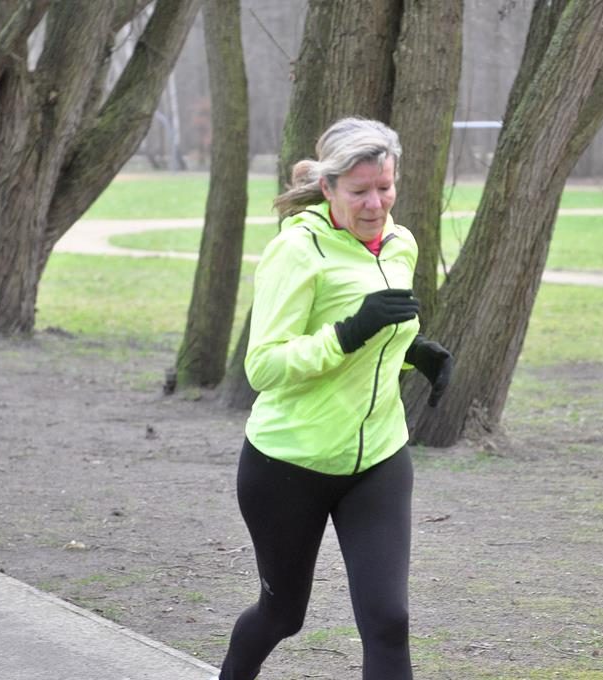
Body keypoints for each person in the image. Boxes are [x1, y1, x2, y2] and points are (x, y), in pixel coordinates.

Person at [213, 118, 454, 680]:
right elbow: (263, 366)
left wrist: (412, 351)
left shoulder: (400, 243)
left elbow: (380, 331)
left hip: (378, 460)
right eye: (360, 191)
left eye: (385, 187)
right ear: (328, 187)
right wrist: (347, 334)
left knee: (388, 621)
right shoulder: (297, 250)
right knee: (282, 615)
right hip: (288, 465)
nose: (375, 204)